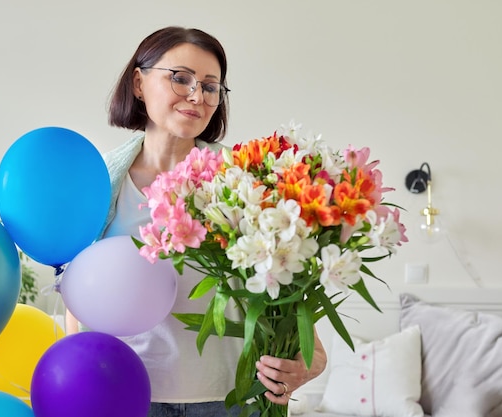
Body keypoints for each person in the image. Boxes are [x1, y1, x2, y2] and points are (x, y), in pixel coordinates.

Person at [65, 26, 327, 417]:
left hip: (231, 399)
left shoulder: (244, 181)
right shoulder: (99, 184)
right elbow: (80, 293)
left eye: (210, 86)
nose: (196, 96)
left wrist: (313, 356)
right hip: (125, 394)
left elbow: (284, 278)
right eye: (181, 78)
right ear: (139, 83)